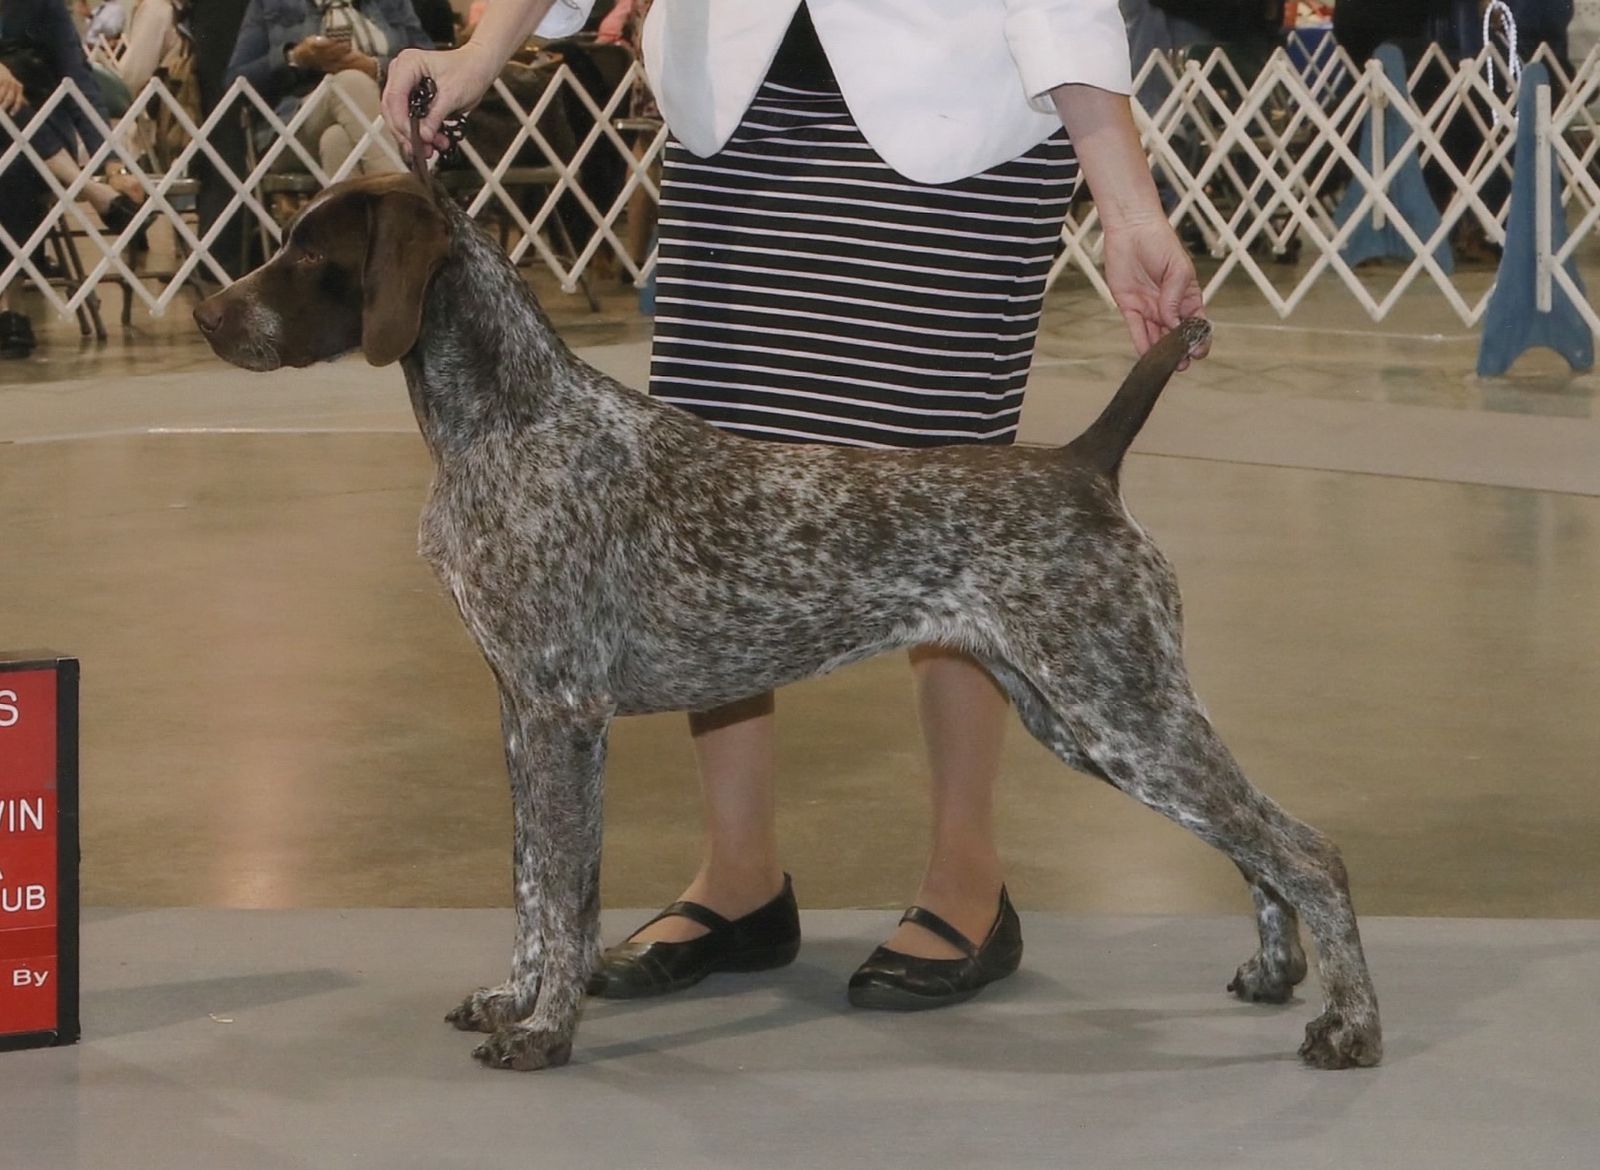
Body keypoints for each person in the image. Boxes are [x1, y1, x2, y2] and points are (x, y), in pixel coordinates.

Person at [383, 0, 1205, 1010]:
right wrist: (482, 50)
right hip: (737, 130)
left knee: (955, 523)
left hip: (947, 130)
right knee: (708, 519)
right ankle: (738, 879)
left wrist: (1129, 208)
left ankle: (966, 877)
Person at [0, 0, 145, 357]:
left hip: (38, 135)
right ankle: (87, 187)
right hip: (47, 156)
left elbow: (79, 82)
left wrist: (112, 164)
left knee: (15, 163)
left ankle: (8, 305)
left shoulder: (42, 7)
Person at [225, 0, 431, 177]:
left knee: (336, 141)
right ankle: (401, 194)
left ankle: (367, 212)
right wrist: (294, 57)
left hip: (390, 119)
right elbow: (236, 81)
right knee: (351, 82)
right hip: (294, 128)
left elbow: (429, 63)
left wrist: (376, 68)